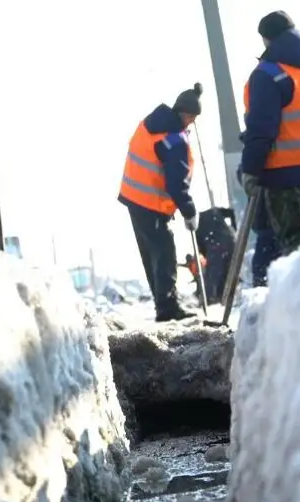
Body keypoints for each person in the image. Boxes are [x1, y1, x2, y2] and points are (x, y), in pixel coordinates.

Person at [239, 11, 300, 258]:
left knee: (297, 249)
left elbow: (261, 129)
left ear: (266, 39)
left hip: (284, 176)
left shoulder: (268, 74)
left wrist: (250, 170)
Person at [118, 83, 203, 322]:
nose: (192, 122)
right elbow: (176, 183)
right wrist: (189, 211)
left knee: (152, 254)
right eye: (191, 116)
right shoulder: (173, 140)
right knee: (165, 252)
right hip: (150, 203)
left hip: (134, 198)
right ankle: (167, 308)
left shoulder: (150, 123)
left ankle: (163, 304)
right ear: (181, 112)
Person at [196, 207, 236, 303]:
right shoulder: (214, 211)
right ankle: (222, 294)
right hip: (229, 238)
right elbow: (231, 212)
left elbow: (202, 249)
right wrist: (234, 227)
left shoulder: (197, 226)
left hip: (215, 242)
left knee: (214, 270)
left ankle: (209, 297)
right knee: (227, 267)